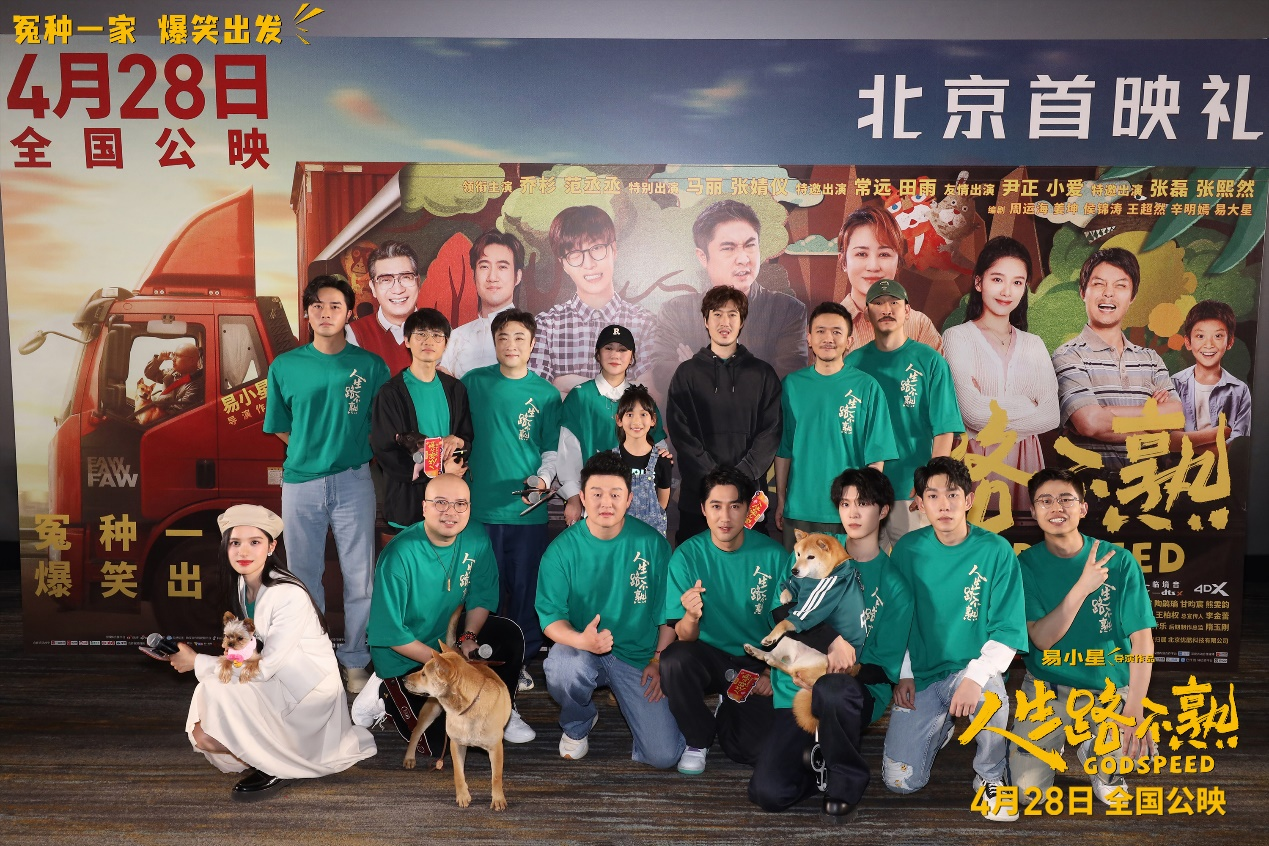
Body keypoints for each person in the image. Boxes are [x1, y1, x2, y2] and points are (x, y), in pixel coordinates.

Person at [169, 504, 376, 801]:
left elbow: (264, 668)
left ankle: (278, 762)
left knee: (215, 687)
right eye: (235, 543)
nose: (243, 551)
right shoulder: (243, 583)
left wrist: (197, 661)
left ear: (271, 547)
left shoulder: (288, 593)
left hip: (305, 695)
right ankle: (267, 753)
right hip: (276, 682)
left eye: (254, 542)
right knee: (205, 733)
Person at [880, 457, 1027, 822]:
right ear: (920, 503)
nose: (943, 504)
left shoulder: (996, 550)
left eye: (952, 494)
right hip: (924, 672)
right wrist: (905, 673)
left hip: (972, 670)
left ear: (968, 500)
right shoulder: (907, 550)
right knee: (900, 782)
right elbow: (897, 621)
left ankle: (990, 775)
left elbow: (1007, 630)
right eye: (932, 496)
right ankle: (940, 725)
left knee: (992, 697)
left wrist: (974, 677)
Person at [263, 275, 390, 695]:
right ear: (306, 313)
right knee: (303, 578)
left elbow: (381, 424)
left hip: (354, 481)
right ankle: (313, 660)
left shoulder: (370, 366)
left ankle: (354, 659)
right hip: (301, 484)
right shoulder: (285, 366)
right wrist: (308, 449)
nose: (325, 313)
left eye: (335, 305)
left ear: (349, 312)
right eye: (317, 305)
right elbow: (280, 426)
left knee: (360, 578)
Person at [749, 467, 894, 818]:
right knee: (768, 793)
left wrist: (836, 669)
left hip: (851, 693)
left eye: (864, 503)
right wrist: (831, 640)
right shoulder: (812, 548)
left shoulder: (895, 583)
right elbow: (780, 610)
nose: (853, 513)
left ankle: (846, 780)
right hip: (795, 688)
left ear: (884, 510)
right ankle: (819, 769)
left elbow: (882, 669)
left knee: (832, 688)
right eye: (845, 504)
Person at [1009, 468, 1157, 804]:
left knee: (1136, 754)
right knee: (1027, 793)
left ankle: (1096, 751)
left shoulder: (1119, 561)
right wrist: (1083, 587)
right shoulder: (1025, 565)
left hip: (1107, 688)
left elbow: (1142, 640)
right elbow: (1042, 639)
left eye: (1066, 499)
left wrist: (1135, 706)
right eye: (1045, 501)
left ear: (1083, 508)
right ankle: (1057, 740)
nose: (1056, 507)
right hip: (1047, 688)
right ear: (1033, 511)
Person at [365, 473, 535, 751]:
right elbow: (393, 635)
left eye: (460, 504)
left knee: (508, 634)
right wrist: (447, 662)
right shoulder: (399, 555)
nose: (451, 512)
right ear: (424, 507)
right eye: (441, 503)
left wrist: (468, 637)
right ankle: (382, 691)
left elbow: (482, 595)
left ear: (469, 508)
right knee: (438, 746)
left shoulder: (476, 536)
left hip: (449, 641)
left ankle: (503, 709)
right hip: (406, 657)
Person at [536, 451, 684, 768]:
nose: (606, 503)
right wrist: (582, 640)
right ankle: (578, 723)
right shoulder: (561, 550)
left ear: (629, 499)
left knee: (664, 755)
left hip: (637, 656)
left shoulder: (653, 545)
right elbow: (550, 620)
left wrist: (658, 659)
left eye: (615, 494)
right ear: (582, 498)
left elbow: (669, 614)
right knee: (562, 667)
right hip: (582, 650)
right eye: (597, 494)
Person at [462, 309, 562, 692]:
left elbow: (551, 451)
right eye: (503, 337)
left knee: (525, 591)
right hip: (480, 510)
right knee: (484, 591)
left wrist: (543, 479)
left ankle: (519, 661)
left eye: (520, 337)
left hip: (527, 513)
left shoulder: (546, 394)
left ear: (533, 344)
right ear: (494, 342)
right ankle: (482, 659)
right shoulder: (473, 383)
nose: (511, 344)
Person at [661, 467, 785, 775]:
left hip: (754, 661)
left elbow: (788, 626)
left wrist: (771, 670)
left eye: (734, 506)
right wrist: (691, 615)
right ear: (703, 509)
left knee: (752, 750)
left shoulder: (774, 555)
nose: (725, 517)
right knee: (674, 660)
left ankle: (729, 704)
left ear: (748, 509)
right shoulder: (687, 556)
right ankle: (697, 738)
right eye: (716, 506)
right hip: (708, 657)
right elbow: (685, 637)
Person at [942, 237, 1060, 511]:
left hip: (1025, 463)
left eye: (1017, 282)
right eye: (997, 279)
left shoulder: (1034, 344)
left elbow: (1051, 415)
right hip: (975, 463)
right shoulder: (957, 337)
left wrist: (989, 405)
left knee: (1024, 533)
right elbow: (973, 414)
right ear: (979, 282)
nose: (1007, 291)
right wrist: (1026, 404)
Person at [846, 280, 963, 549]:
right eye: (878, 303)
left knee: (914, 566)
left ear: (908, 311)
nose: (886, 309)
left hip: (911, 491)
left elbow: (944, 429)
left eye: (894, 303)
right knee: (862, 568)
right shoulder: (852, 364)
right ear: (866, 314)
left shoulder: (930, 361)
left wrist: (930, 487)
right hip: (863, 491)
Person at [774, 302, 897, 550]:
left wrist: (865, 508)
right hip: (800, 510)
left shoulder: (867, 387)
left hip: (849, 514)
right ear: (809, 338)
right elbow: (784, 449)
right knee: (799, 575)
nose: (828, 338)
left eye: (836, 332)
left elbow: (876, 458)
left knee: (848, 576)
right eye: (820, 331)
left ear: (849, 341)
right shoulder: (791, 386)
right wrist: (782, 500)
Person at [651, 199, 807, 394]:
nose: (743, 259)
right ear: (702, 257)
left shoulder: (788, 310)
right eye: (728, 248)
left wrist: (699, 370)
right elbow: (663, 377)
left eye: (750, 245)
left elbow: (786, 381)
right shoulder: (676, 312)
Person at [666, 285, 782, 544]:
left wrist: (741, 475)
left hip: (748, 496)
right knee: (696, 564)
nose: (724, 322)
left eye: (732, 314)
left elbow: (771, 432)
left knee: (749, 564)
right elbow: (680, 432)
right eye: (717, 314)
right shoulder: (686, 374)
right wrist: (714, 478)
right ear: (705, 321)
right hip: (698, 497)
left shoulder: (763, 374)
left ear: (742, 321)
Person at [1052, 247, 1182, 471]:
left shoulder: (1151, 359)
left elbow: (1176, 416)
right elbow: (1089, 423)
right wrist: (1154, 420)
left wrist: (1107, 414)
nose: (1108, 294)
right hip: (1090, 486)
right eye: (1098, 284)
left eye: (1120, 285)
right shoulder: (1068, 355)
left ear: (1132, 297)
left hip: (1151, 485)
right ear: (1083, 292)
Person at [528, 205, 657, 395]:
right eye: (574, 254)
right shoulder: (545, 327)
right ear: (563, 264)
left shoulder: (645, 323)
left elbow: (651, 398)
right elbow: (537, 400)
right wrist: (624, 390)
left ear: (614, 250)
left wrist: (567, 384)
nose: (589, 264)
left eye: (596, 248)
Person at [370, 308, 474, 530]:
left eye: (437, 335)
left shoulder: (456, 389)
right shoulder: (391, 393)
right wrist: (440, 470)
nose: (429, 341)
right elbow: (386, 450)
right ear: (407, 341)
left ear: (445, 343)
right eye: (421, 334)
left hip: (449, 505)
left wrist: (458, 442)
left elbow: (467, 439)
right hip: (408, 503)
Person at [557, 324, 668, 528]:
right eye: (608, 348)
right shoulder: (580, 396)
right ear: (597, 354)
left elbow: (658, 448)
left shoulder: (642, 400)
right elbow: (567, 453)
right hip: (594, 502)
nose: (615, 355)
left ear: (632, 357)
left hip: (638, 505)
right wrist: (573, 497)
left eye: (622, 349)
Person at [836, 205, 943, 352]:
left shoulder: (919, 325)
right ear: (843, 262)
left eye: (884, 254)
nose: (873, 266)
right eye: (861, 254)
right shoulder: (826, 326)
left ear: (898, 262)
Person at [1170, 298, 1252, 451]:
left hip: (1224, 466)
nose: (1209, 345)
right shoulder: (1173, 384)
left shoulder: (1239, 390)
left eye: (1218, 336)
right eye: (1200, 336)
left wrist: (1184, 443)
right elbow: (1167, 441)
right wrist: (1216, 435)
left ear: (1230, 342)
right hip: (1179, 465)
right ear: (1188, 342)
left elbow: (1236, 446)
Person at [441, 231, 524, 379]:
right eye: (484, 266)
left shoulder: (533, 334)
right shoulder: (456, 337)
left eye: (502, 267)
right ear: (474, 275)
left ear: (517, 277)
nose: (492, 277)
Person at [346, 240, 420, 375]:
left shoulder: (442, 331)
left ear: (418, 282)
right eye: (385, 280)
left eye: (406, 277)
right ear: (373, 288)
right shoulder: (352, 335)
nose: (398, 289)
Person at [613, 383, 673, 536]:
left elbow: (662, 504)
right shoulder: (610, 461)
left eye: (643, 414)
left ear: (653, 420)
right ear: (619, 420)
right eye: (629, 414)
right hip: (619, 536)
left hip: (650, 537)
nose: (636, 421)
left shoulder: (662, 460)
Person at [141, 342, 205, 419]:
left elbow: (175, 413)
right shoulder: (173, 372)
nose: (173, 359)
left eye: (178, 356)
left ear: (192, 360)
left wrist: (151, 414)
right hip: (156, 412)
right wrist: (159, 360)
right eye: (174, 355)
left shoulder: (196, 385)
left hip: (163, 419)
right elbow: (150, 374)